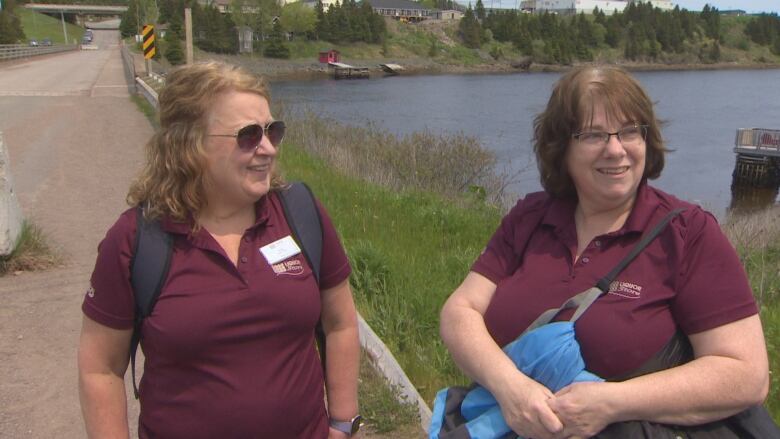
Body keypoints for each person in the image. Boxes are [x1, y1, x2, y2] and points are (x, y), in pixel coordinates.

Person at [439, 65, 770, 439]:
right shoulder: (530, 218)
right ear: (561, 148)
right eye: (594, 135)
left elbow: (746, 374)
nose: (615, 149)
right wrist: (509, 388)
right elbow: (459, 312)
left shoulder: (687, 233)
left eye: (630, 131)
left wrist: (611, 402)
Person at [77, 61, 361, 439]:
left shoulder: (300, 213)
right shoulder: (138, 240)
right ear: (188, 144)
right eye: (247, 135)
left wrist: (343, 421)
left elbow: (340, 323)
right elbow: (100, 368)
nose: (268, 149)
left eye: (273, 131)